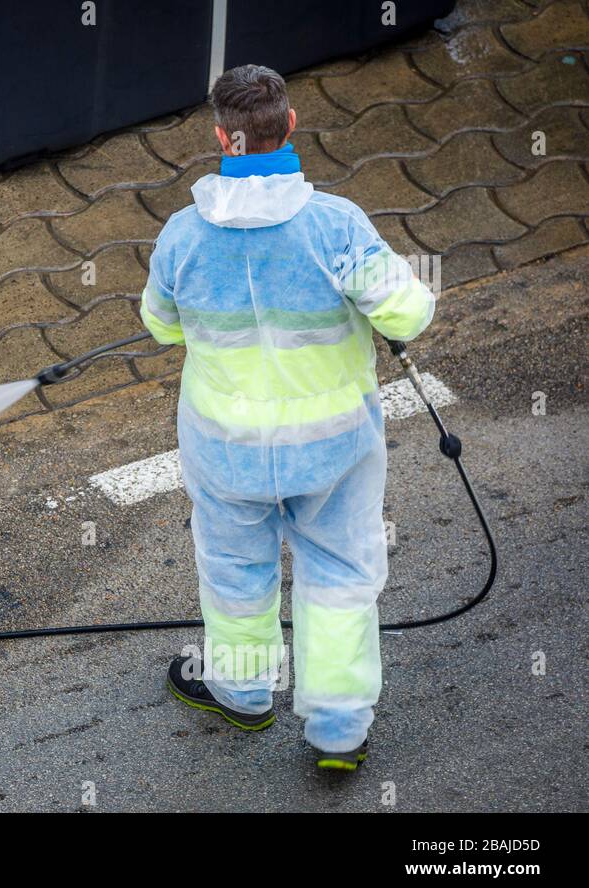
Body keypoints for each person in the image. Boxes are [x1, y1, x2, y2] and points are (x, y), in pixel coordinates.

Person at [144, 64, 435, 770]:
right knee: (337, 573)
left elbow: (160, 326)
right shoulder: (336, 225)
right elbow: (409, 312)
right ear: (292, 125)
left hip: (226, 451)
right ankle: (338, 732)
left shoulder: (182, 235)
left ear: (221, 137)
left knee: (236, 573)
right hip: (333, 449)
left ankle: (243, 695)